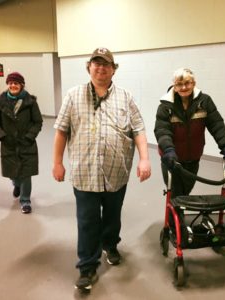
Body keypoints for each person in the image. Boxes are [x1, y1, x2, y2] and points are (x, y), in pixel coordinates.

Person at [52, 47, 151, 291]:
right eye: (96, 63)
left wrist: (144, 159)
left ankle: (110, 244)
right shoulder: (73, 95)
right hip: (85, 173)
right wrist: (57, 162)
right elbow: (61, 130)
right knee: (87, 221)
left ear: (113, 69)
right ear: (89, 67)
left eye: (106, 64)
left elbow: (138, 129)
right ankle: (87, 266)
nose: (101, 68)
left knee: (112, 216)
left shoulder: (125, 97)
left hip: (116, 171)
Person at [154, 67, 225, 198]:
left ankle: (178, 213)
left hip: (193, 157)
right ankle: (174, 218)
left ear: (194, 83)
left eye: (187, 83)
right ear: (174, 86)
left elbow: (217, 125)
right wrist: (168, 149)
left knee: (186, 191)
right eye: (179, 84)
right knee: (176, 193)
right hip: (172, 157)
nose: (183, 87)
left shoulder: (204, 102)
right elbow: (162, 130)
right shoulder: (166, 106)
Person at [0, 72, 43, 214]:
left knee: (26, 173)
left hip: (26, 143)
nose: (13, 85)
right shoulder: (0, 102)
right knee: (12, 173)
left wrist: (29, 137)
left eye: (16, 83)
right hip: (8, 144)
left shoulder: (30, 102)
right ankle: (16, 184)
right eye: (11, 83)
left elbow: (38, 122)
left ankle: (25, 200)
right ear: (8, 84)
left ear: (21, 85)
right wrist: (2, 136)